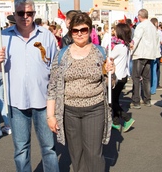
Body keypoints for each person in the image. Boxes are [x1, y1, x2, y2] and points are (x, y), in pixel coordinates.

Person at [0, 0, 59, 171]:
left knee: (48, 148)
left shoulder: (46, 35)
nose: (25, 16)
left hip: (43, 101)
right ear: (14, 14)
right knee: (21, 149)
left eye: (29, 13)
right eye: (21, 13)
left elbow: (55, 68)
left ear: (34, 14)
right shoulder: (4, 37)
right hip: (16, 102)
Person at [47, 12, 116, 172]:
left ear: (89, 30)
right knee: (76, 154)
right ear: (70, 31)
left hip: (94, 109)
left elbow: (110, 84)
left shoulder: (100, 53)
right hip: (69, 111)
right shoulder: (62, 54)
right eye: (75, 30)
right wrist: (51, 116)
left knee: (93, 153)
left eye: (83, 30)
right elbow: (52, 87)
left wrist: (110, 73)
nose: (79, 34)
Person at [130, 9, 158, 109]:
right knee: (146, 78)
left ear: (139, 16)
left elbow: (136, 38)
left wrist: (131, 49)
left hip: (140, 54)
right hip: (149, 54)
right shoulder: (152, 26)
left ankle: (136, 101)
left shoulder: (141, 26)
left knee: (136, 77)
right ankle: (147, 100)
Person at [110, 23, 135, 132]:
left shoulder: (119, 47)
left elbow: (109, 57)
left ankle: (127, 118)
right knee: (114, 99)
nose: (114, 32)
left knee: (111, 101)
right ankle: (115, 122)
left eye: (115, 30)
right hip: (123, 76)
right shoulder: (125, 45)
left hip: (117, 77)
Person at [150, 18, 162, 95]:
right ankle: (153, 89)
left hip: (151, 54)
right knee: (154, 71)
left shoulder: (151, 32)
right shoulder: (158, 32)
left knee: (150, 72)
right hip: (157, 53)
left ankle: (150, 88)